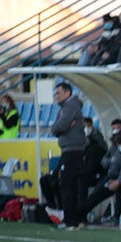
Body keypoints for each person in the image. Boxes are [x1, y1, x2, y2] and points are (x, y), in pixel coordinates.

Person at [50, 83, 86, 229]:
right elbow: (56, 128)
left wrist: (60, 128)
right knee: (65, 183)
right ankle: (71, 219)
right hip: (69, 150)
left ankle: (70, 220)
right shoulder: (66, 108)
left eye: (58, 93)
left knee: (67, 184)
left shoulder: (70, 106)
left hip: (72, 151)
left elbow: (59, 126)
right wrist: (59, 128)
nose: (56, 96)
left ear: (67, 93)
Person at [0, 94, 20, 167]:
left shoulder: (14, 114)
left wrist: (2, 115)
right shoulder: (0, 114)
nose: (4, 104)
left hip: (9, 143)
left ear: (10, 104)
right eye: (2, 103)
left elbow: (8, 125)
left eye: (6, 102)